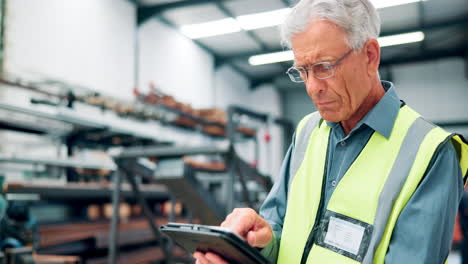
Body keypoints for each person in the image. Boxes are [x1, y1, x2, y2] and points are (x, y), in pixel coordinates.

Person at [193, 0, 468, 263]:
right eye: (302, 70)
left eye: (324, 67)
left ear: (370, 56)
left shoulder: (431, 153)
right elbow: (278, 232)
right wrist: (255, 246)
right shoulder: (307, 132)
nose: (312, 87)